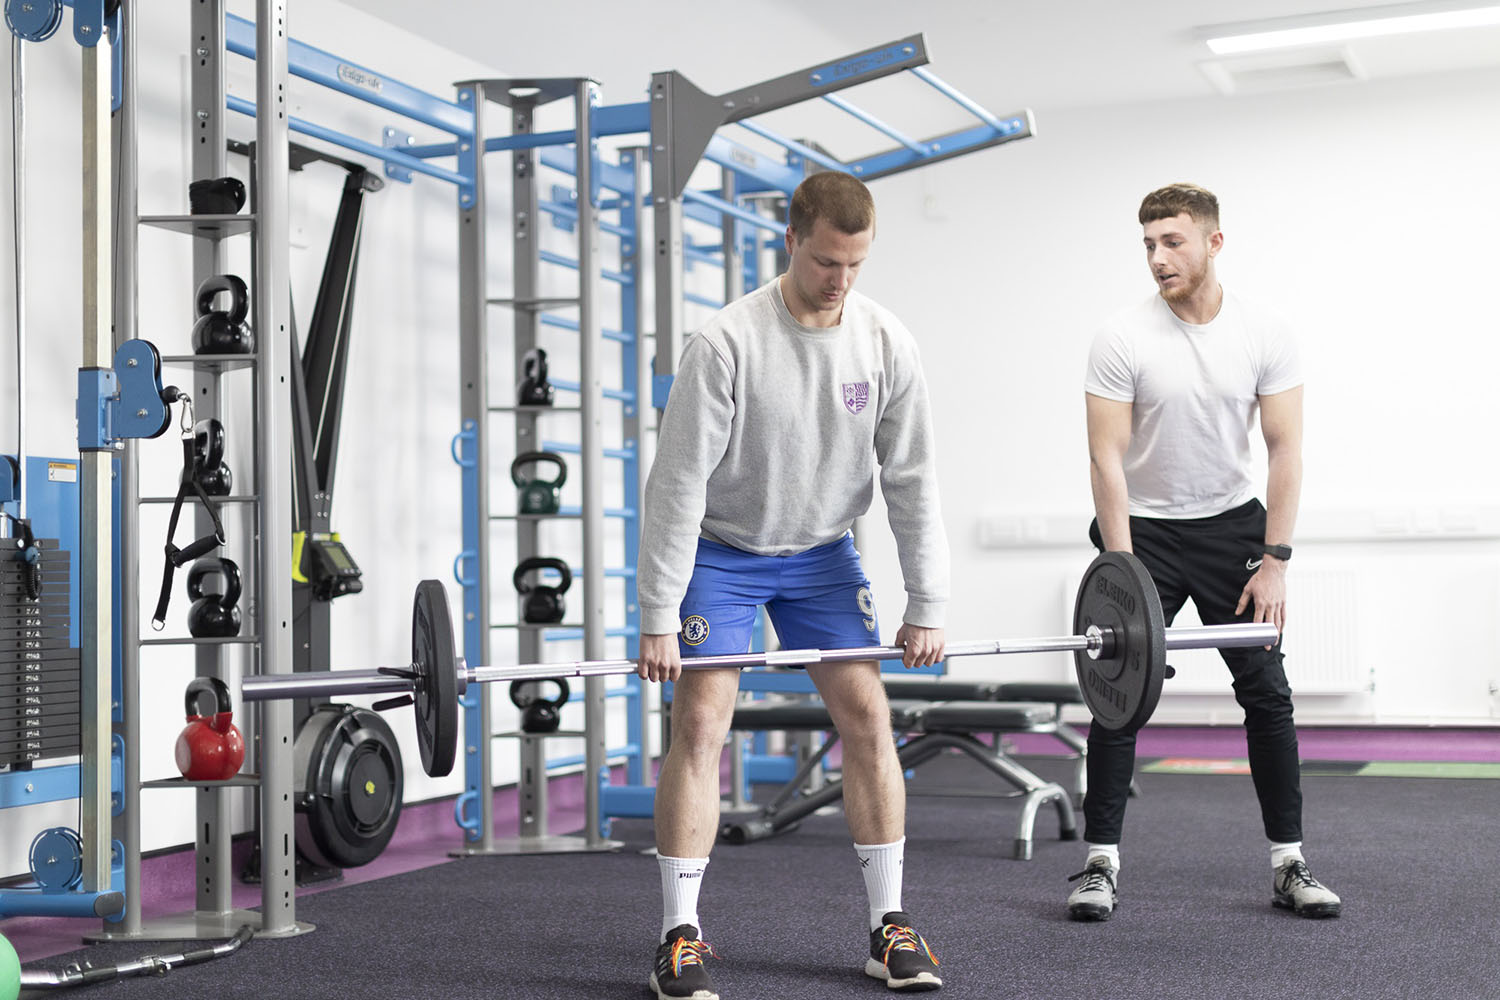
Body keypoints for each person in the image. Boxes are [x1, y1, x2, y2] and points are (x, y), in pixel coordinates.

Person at [635, 170, 951, 999]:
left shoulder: (887, 343)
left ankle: (890, 927)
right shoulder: (727, 343)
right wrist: (659, 613)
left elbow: (911, 478)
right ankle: (680, 935)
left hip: (821, 555)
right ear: (791, 241)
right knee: (702, 722)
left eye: (854, 264)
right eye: (824, 263)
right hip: (723, 552)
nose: (839, 281)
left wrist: (929, 601)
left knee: (867, 715)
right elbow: (676, 487)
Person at [1074, 182, 1341, 923]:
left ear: (1213, 243)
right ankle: (1099, 864)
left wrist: (1275, 559)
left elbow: (1285, 450)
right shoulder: (1122, 336)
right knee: (1117, 698)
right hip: (1144, 533)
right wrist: (1123, 578)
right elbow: (1106, 460)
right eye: (1149, 245)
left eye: (1173, 242)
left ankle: (1289, 864)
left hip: (1231, 530)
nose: (1158, 258)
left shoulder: (1264, 331)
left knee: (1266, 691)